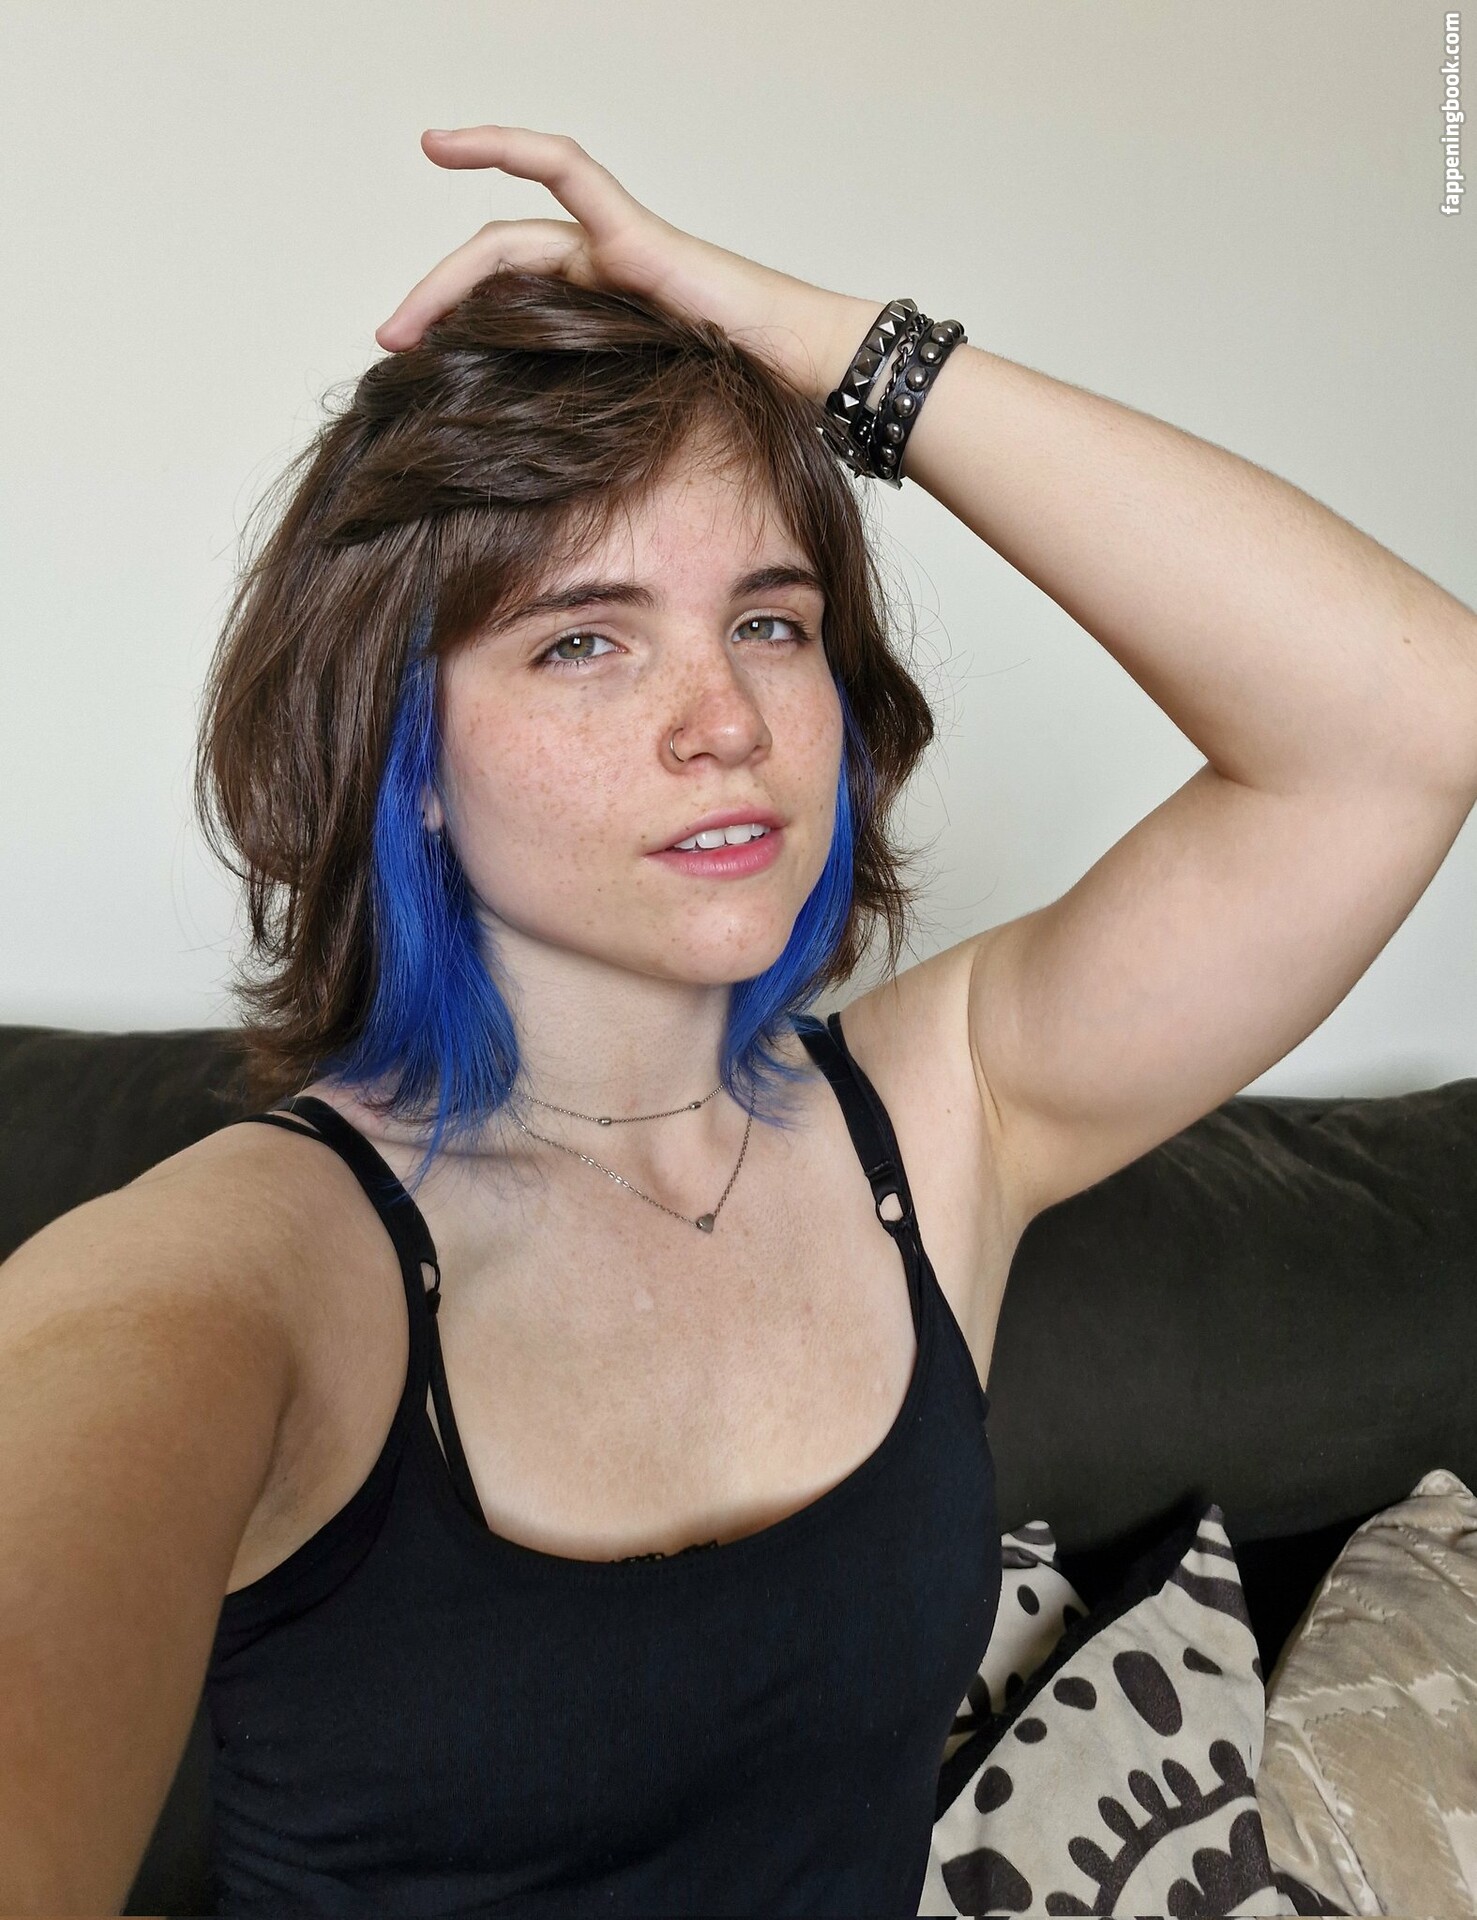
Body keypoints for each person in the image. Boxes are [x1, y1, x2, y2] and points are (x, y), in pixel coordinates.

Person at [2, 124, 1474, 1919]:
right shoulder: (246, 1265)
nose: (726, 720)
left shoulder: (942, 1114)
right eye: (582, 639)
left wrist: (803, 341)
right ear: (408, 759)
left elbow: (1403, 726)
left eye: (770, 622)